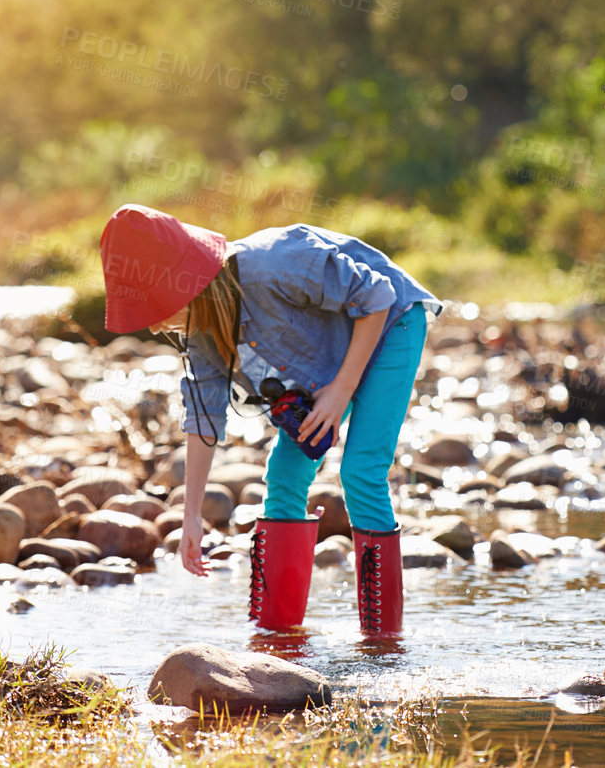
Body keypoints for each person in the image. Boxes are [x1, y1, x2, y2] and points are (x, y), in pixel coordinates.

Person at [97, 204, 439, 635]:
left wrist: (340, 392)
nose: (152, 326)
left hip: (390, 325)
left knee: (361, 471)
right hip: (330, 356)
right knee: (283, 473)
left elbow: (377, 297)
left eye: (153, 309)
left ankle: (382, 638)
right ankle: (276, 633)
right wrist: (191, 515)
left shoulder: (274, 261)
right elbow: (204, 415)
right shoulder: (202, 327)